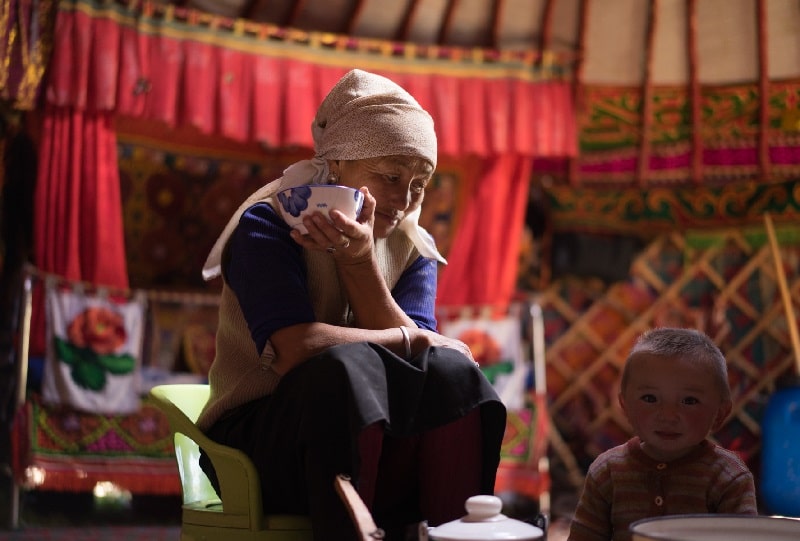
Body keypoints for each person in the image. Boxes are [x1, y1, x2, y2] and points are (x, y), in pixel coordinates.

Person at [196, 69, 507, 541]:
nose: (403, 200)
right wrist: (410, 336)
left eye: (419, 185)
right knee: (343, 367)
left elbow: (424, 368)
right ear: (338, 163)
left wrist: (360, 262)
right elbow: (295, 350)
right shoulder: (269, 225)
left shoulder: (411, 250)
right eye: (389, 177)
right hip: (256, 448)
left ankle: (454, 531)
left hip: (371, 441)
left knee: (455, 374)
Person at [568, 327, 757, 541]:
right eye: (650, 398)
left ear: (720, 413)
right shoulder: (607, 471)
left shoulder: (729, 477)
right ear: (625, 406)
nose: (668, 415)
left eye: (689, 401)